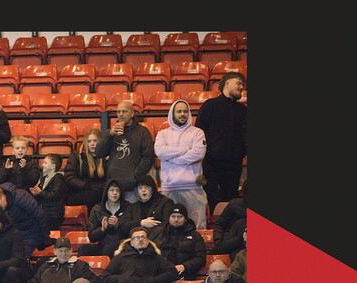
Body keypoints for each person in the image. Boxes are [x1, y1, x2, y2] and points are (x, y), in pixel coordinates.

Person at [155, 99, 208, 228]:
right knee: (169, 226)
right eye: (179, 111)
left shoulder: (197, 132)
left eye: (185, 111)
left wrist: (172, 159)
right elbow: (160, 152)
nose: (182, 114)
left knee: (197, 225)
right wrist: (185, 150)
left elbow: (198, 154)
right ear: (173, 114)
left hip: (193, 187)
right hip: (169, 188)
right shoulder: (163, 134)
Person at [196, 72, 246, 204]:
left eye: (242, 84)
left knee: (231, 199)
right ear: (227, 84)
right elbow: (200, 131)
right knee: (211, 198)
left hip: (234, 163)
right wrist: (207, 151)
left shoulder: (243, 110)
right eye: (239, 83)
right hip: (212, 162)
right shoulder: (210, 105)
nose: (242, 87)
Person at [94, 100, 155, 202]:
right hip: (114, 186)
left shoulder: (142, 132)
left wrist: (134, 177)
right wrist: (109, 135)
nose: (120, 114)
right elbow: (99, 153)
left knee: (133, 216)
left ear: (132, 113)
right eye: (118, 112)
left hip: (133, 187)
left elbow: (148, 157)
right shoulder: (111, 132)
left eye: (124, 111)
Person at [101, 226, 180, 283]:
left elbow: (172, 271)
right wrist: (124, 279)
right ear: (131, 242)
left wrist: (152, 282)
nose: (140, 240)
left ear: (148, 241)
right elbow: (105, 278)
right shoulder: (120, 257)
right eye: (136, 238)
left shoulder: (156, 257)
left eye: (143, 237)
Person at [0, 183, 51, 254]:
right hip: (14, 234)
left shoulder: (21, 197)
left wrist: (45, 235)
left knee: (20, 256)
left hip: (31, 232)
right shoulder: (1, 206)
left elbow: (39, 214)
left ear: (3, 196)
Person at [149, 205, 207, 280]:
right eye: (173, 216)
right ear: (169, 218)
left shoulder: (195, 236)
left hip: (180, 272)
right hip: (158, 270)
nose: (176, 219)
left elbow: (200, 258)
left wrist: (184, 266)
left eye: (179, 217)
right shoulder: (158, 232)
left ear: (185, 219)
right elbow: (147, 250)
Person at [82, 179, 137, 257]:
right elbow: (92, 238)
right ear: (106, 192)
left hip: (122, 245)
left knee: (109, 248)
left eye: (118, 190)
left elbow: (132, 230)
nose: (115, 193)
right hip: (102, 245)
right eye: (112, 190)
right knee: (84, 248)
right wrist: (102, 229)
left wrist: (118, 225)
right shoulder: (97, 209)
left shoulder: (128, 208)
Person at [64, 128, 108, 208]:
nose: (92, 144)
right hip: (79, 191)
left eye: (95, 141)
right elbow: (69, 178)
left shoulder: (106, 156)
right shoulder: (77, 156)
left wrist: (103, 186)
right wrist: (86, 185)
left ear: (100, 141)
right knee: (92, 196)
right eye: (89, 141)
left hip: (101, 190)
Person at [27, 153, 68, 232]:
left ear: (53, 166)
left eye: (45, 163)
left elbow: (54, 195)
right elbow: (43, 196)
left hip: (53, 215)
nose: (42, 165)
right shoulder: (44, 178)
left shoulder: (58, 179)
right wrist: (35, 194)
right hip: (44, 213)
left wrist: (40, 192)